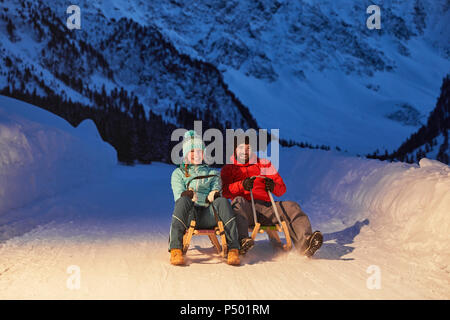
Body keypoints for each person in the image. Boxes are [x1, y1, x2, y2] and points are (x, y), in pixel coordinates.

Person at [220, 135, 323, 257]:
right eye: (241, 147)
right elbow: (225, 192)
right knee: (237, 202)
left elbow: (281, 190)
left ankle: (305, 242)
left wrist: (273, 186)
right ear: (235, 149)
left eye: (248, 148)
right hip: (246, 209)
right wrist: (241, 185)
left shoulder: (264, 164)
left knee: (291, 206)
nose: (245, 151)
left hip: (267, 207)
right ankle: (242, 241)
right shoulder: (229, 169)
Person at [169, 130, 241, 266]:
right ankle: (175, 249)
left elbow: (217, 188)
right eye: (192, 152)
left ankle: (233, 249)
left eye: (199, 151)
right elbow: (178, 195)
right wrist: (187, 194)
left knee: (222, 201)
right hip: (189, 215)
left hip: (209, 215)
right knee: (182, 201)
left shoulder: (213, 173)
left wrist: (214, 194)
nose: (196, 155)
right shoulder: (178, 174)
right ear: (185, 154)